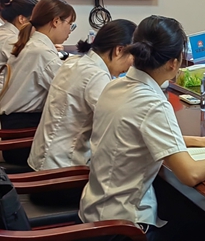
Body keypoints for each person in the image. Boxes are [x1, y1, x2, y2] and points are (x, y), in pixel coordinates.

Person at [80, 15, 205, 240]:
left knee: (185, 211)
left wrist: (198, 141)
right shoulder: (153, 103)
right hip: (123, 228)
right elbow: (190, 174)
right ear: (174, 62)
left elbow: (136, 136)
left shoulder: (115, 86)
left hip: (95, 211)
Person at [28, 19, 137, 172]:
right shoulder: (96, 75)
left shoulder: (76, 62)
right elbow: (116, 125)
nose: (132, 65)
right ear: (119, 50)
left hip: (44, 161)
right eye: (134, 57)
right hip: (61, 171)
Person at [0, 0, 75, 164]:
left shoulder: (33, 45)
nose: (70, 30)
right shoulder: (41, 52)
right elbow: (69, 91)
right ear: (56, 21)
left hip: (16, 129)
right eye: (70, 24)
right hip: (24, 137)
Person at [0, 0, 37, 74]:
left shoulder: (5, 32)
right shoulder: (10, 39)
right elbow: (31, 64)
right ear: (22, 19)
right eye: (35, 20)